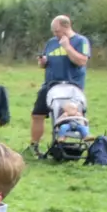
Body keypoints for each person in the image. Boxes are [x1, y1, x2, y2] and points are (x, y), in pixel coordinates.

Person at [28, 15, 89, 158]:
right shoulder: (51, 42)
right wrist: (43, 62)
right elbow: (45, 63)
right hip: (49, 86)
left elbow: (81, 61)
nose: (55, 34)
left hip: (70, 87)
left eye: (57, 31)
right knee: (37, 114)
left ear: (66, 27)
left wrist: (67, 46)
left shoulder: (81, 41)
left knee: (65, 118)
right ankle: (34, 146)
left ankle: (63, 148)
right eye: (53, 31)